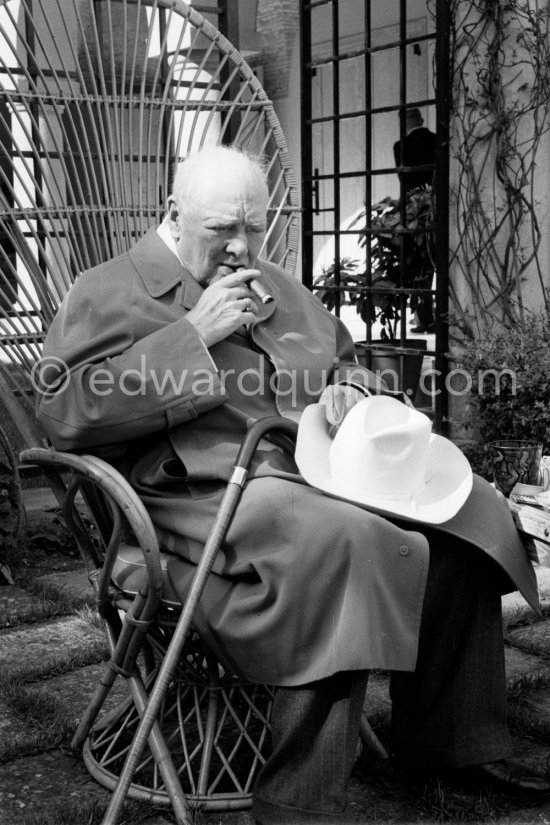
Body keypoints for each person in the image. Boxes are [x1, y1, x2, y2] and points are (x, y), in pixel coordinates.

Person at [36, 145, 549, 824]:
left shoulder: (273, 280)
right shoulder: (106, 289)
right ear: (174, 214)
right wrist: (192, 333)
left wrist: (348, 386)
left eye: (255, 229)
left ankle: (454, 741)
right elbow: (61, 409)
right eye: (222, 230)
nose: (241, 247)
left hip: (317, 470)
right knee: (351, 543)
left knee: (468, 508)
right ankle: (299, 800)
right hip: (203, 496)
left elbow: (340, 357)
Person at [393, 108, 437, 333]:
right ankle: (432, 313)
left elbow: (404, 179)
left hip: (414, 210)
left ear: (404, 124)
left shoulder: (400, 146)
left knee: (417, 264)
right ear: (421, 120)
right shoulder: (437, 140)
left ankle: (423, 314)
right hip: (437, 205)